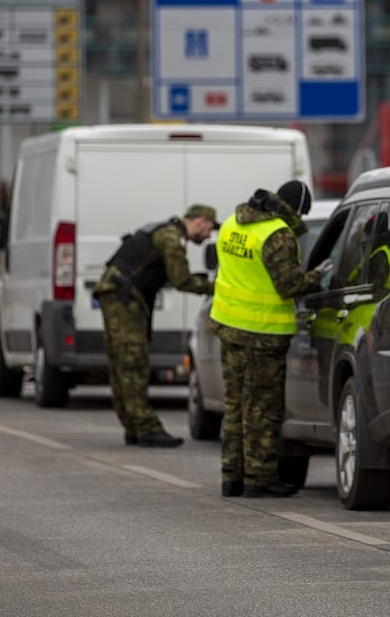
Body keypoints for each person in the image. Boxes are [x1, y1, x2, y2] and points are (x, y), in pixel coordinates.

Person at [210, 180, 331, 498]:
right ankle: (259, 479)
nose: (302, 220)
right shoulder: (277, 234)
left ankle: (232, 477)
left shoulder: (231, 223)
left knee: (235, 405)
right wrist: (319, 275)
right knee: (262, 408)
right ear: (296, 208)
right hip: (262, 335)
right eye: (302, 213)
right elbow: (289, 285)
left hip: (228, 327)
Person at [93, 204, 219, 448]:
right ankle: (146, 428)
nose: (208, 236)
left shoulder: (164, 230)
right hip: (124, 297)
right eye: (209, 229)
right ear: (201, 221)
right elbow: (181, 280)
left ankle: (134, 426)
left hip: (117, 293)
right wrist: (218, 287)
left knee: (122, 361)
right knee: (132, 362)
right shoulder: (172, 237)